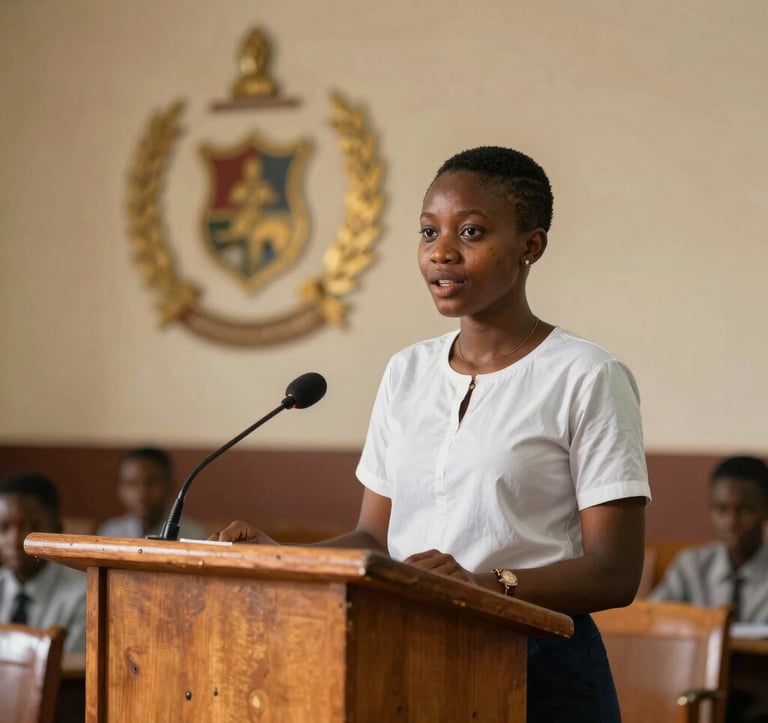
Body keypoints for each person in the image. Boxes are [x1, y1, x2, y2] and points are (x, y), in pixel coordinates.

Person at [210, 146, 651, 722]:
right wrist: (281, 560)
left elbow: (614, 571)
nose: (441, 252)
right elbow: (375, 540)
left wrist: (488, 584)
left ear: (530, 246)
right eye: (428, 232)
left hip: (537, 666)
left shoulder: (587, 376)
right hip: (408, 653)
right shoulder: (407, 372)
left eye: (471, 232)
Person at [648, 455, 768, 623]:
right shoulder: (691, 566)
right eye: (721, 509)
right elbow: (651, 618)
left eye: (745, 510)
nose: (731, 522)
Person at [0, 471, 87, 654]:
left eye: (30, 527)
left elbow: (69, 673)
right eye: (4, 528)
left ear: (57, 531)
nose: (15, 541)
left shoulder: (82, 597)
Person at [97, 446, 208, 539]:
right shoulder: (109, 533)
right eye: (131, 483)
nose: (142, 493)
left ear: (170, 487)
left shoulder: (193, 536)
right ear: (120, 489)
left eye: (152, 482)